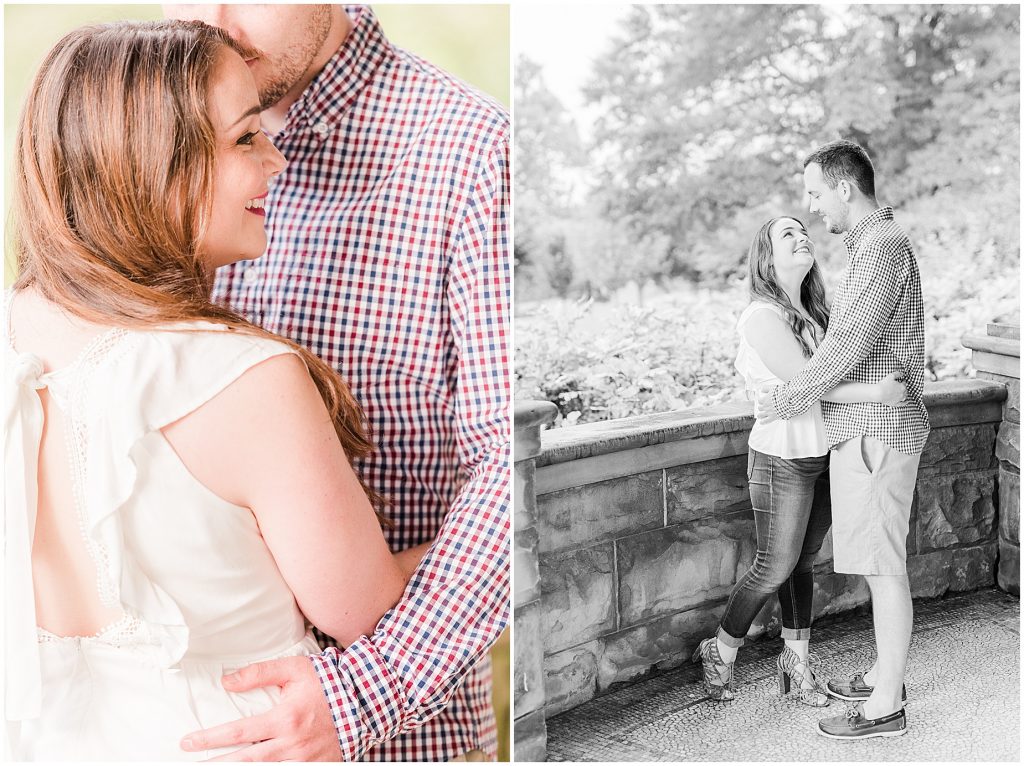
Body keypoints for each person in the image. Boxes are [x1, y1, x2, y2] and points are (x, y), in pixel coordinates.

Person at [4, 20, 423, 761]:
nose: (276, 158)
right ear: (151, 163)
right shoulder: (245, 382)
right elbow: (369, 613)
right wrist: (472, 530)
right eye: (243, 140)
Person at [161, 4, 510, 761]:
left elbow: (512, 467)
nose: (212, 18)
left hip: (396, 741)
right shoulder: (141, 146)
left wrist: (368, 688)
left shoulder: (475, 153)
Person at [692, 216, 906, 706]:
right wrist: (873, 392)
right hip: (780, 458)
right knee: (774, 565)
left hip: (824, 452)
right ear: (766, 257)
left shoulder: (816, 312)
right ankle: (722, 647)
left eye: (803, 231)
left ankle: (797, 661)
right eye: (787, 234)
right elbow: (806, 380)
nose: (802, 237)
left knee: (804, 562)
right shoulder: (761, 316)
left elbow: (819, 382)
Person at [757, 139, 929, 740]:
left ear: (844, 188)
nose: (811, 207)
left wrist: (786, 397)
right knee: (881, 564)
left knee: (884, 572)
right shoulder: (872, 246)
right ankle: (886, 672)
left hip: (876, 434)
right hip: (869, 428)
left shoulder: (879, 247)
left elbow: (847, 348)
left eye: (814, 193)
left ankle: (885, 706)